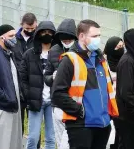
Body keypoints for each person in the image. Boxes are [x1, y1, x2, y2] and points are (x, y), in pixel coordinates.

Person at [52, 19, 119, 149]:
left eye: (99, 36)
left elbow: (107, 89)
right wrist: (80, 111)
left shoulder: (100, 59)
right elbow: (57, 94)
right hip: (81, 126)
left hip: (103, 124)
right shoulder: (69, 60)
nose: (98, 39)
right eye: (94, 36)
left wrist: (108, 115)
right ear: (81, 36)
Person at [20, 21, 56, 149]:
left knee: (51, 138)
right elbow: (22, 77)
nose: (46, 35)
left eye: (49, 33)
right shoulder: (29, 54)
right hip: (36, 101)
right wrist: (28, 94)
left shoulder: (58, 54)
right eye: (44, 32)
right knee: (33, 137)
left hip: (53, 101)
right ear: (38, 34)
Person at [43, 18, 77, 149]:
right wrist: (53, 77)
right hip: (58, 104)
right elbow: (46, 77)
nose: (67, 42)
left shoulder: (80, 51)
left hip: (75, 102)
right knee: (60, 141)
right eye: (64, 40)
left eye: (69, 39)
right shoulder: (54, 50)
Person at [103, 36, 124, 149]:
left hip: (121, 105)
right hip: (108, 106)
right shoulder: (103, 64)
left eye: (122, 46)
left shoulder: (125, 63)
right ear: (111, 48)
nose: (120, 49)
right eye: (118, 47)